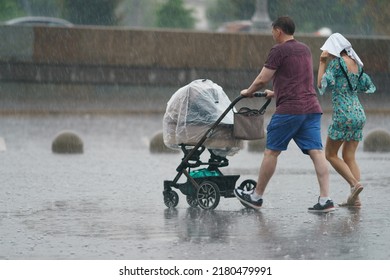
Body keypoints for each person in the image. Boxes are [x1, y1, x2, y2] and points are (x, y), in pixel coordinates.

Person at [234, 16, 334, 213]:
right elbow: (299, 77)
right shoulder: (304, 49)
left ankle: (256, 196)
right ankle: (325, 199)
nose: (272, 34)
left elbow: (263, 78)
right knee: (317, 152)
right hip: (311, 108)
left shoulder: (278, 50)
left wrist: (249, 91)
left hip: (290, 110)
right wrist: (277, 92)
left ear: (278, 30)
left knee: (272, 151)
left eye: (273, 31)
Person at [317, 33, 376, 207]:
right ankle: (355, 200)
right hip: (358, 113)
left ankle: (354, 184)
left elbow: (321, 84)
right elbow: (368, 86)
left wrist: (322, 62)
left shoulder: (336, 64)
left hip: (343, 114)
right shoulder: (356, 64)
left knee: (330, 154)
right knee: (349, 156)